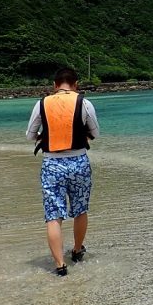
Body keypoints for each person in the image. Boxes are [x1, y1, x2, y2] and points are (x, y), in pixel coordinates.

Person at [26, 67, 99, 276]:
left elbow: (30, 135)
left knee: (53, 215)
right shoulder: (84, 102)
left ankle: (60, 265)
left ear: (54, 85)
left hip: (52, 164)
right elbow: (96, 132)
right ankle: (77, 251)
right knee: (80, 209)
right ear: (76, 84)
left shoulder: (42, 104)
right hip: (79, 161)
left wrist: (45, 134)